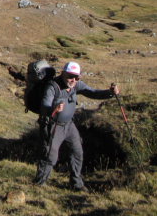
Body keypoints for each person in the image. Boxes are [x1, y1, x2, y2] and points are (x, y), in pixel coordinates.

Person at [34, 61, 119, 190]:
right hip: (53, 125)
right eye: (70, 76)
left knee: (77, 152)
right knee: (50, 155)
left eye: (76, 77)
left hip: (68, 125)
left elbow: (93, 92)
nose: (73, 80)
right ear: (63, 73)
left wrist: (110, 93)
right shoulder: (53, 86)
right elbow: (45, 105)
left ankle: (76, 184)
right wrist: (54, 108)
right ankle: (39, 184)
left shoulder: (76, 85)